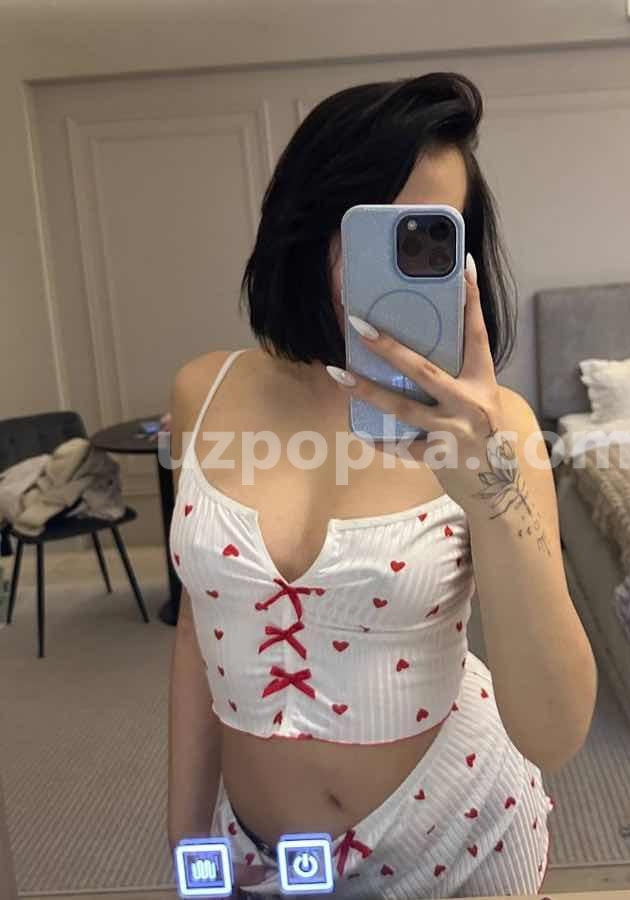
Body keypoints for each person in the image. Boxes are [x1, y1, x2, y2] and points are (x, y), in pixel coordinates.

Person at [167, 71, 597, 899]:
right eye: (370, 228)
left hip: (461, 839)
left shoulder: (493, 429)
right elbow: (197, 626)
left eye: (428, 237)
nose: (395, 269)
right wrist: (187, 844)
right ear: (305, 222)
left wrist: (490, 488)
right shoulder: (203, 393)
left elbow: (556, 731)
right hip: (264, 858)